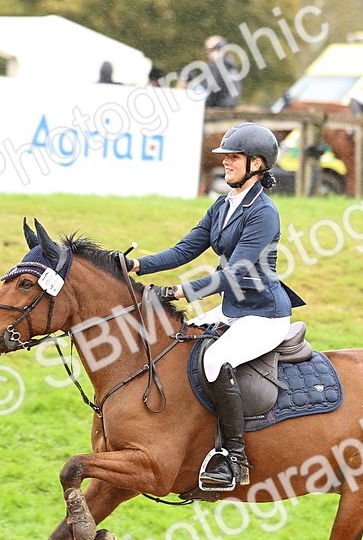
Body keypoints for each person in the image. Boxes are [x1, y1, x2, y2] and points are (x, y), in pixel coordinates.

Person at [124, 123, 303, 489]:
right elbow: (185, 249)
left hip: (263, 314)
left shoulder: (263, 213)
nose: (227, 164)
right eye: (226, 158)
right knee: (179, 346)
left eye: (234, 158)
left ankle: (233, 457)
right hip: (231, 308)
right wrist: (138, 265)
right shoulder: (223, 204)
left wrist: (182, 292)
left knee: (213, 361)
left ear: (257, 163)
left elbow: (236, 271)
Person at [203, 35, 242, 108]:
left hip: (214, 113)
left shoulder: (217, 66)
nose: (207, 54)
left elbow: (209, 92)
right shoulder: (231, 66)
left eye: (209, 50)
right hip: (227, 112)